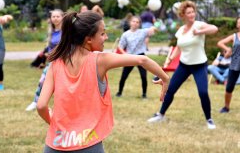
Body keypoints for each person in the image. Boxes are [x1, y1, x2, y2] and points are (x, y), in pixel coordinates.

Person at [37, 11, 169, 152]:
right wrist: (165, 78)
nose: (106, 37)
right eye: (102, 33)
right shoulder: (100, 60)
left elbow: (41, 106)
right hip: (88, 145)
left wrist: (55, 124)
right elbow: (142, 60)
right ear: (88, 39)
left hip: (54, 145)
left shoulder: (55, 63)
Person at [147, 0, 218, 130]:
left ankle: (209, 119)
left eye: (193, 12)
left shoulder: (199, 25)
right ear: (183, 15)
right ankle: (160, 114)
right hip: (184, 65)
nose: (191, 14)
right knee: (170, 90)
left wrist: (199, 32)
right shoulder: (180, 30)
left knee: (203, 92)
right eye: (188, 13)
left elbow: (214, 28)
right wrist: (170, 59)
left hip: (199, 65)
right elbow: (179, 47)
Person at [25, 9, 64, 111]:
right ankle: (35, 102)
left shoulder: (66, 32)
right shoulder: (51, 31)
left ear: (62, 17)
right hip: (52, 61)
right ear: (50, 18)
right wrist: (45, 54)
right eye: (53, 16)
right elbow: (49, 47)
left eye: (57, 16)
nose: (55, 18)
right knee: (42, 81)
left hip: (64, 62)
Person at [115, 16, 157, 98]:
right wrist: (125, 54)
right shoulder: (125, 34)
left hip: (140, 56)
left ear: (139, 24)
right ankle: (119, 92)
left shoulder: (142, 32)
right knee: (124, 76)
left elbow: (153, 30)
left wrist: (153, 27)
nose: (135, 23)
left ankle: (144, 94)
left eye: (137, 22)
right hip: (130, 56)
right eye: (134, 21)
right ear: (130, 23)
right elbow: (120, 46)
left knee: (143, 76)